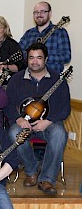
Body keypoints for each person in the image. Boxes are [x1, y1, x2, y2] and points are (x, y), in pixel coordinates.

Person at [6, 43, 70, 195]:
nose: (35, 61)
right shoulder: (16, 80)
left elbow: (65, 108)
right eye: (31, 58)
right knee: (13, 133)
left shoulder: (58, 80)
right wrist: (18, 119)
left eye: (39, 58)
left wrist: (48, 121)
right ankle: (31, 171)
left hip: (49, 124)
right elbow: (8, 105)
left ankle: (47, 179)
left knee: (59, 134)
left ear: (46, 59)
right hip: (24, 123)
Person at [19, 1, 71, 73]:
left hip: (52, 78)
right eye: (36, 12)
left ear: (50, 13)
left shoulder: (59, 32)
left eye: (43, 11)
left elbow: (66, 57)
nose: (39, 14)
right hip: (30, 78)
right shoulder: (29, 33)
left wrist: (44, 56)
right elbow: (19, 53)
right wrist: (31, 56)